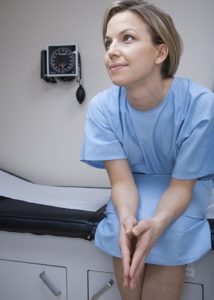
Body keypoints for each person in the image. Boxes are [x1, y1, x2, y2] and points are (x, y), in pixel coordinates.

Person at [80, 1, 214, 299]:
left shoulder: (200, 104)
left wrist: (157, 223)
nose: (111, 50)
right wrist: (128, 217)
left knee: (170, 232)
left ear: (160, 52)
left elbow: (182, 185)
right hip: (134, 183)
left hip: (183, 184)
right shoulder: (103, 107)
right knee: (123, 230)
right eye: (108, 42)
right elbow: (122, 181)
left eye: (127, 38)